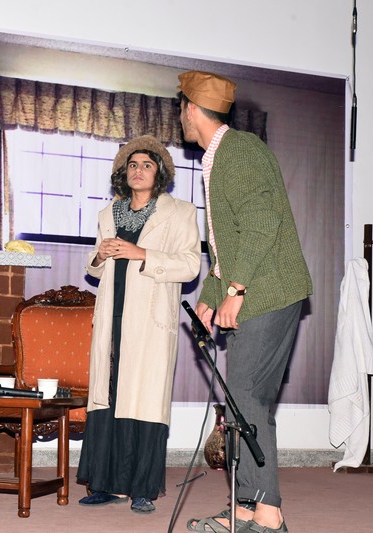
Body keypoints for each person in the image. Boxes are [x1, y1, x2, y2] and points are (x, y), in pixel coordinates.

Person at [179, 71, 312, 533]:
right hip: (258, 288)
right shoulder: (220, 156)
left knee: (248, 398)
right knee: (242, 401)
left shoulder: (239, 150)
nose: (182, 117)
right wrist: (210, 298)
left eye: (182, 109)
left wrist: (236, 290)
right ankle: (244, 508)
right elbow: (226, 244)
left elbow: (261, 221)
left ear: (191, 109)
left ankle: (268, 515)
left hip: (266, 291)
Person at [77, 136, 201, 514]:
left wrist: (142, 253)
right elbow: (94, 268)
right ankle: (106, 485)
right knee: (109, 396)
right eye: (132, 165)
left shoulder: (181, 212)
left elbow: (190, 265)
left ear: (159, 172)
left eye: (147, 165)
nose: (138, 171)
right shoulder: (108, 214)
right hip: (111, 317)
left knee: (143, 401)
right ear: (123, 172)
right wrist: (99, 255)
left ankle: (141, 489)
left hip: (149, 321)